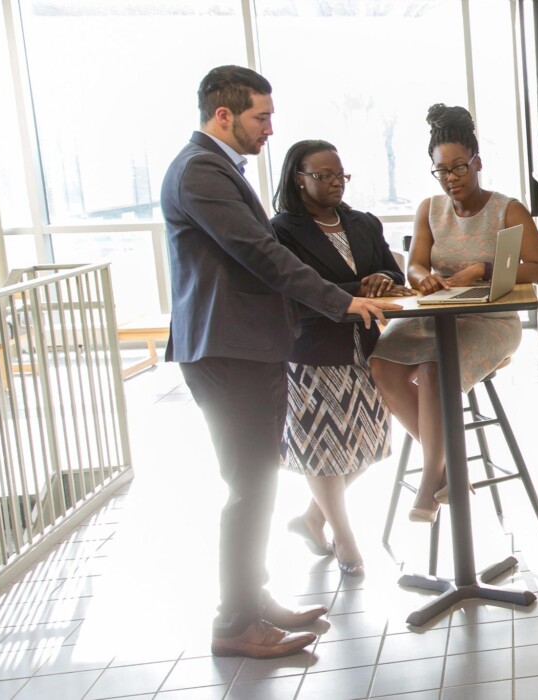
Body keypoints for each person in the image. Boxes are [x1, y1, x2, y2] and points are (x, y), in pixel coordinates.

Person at [162, 66, 399, 658]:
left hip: (243, 346)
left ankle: (252, 600)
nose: (270, 128)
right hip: (226, 349)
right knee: (248, 489)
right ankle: (234, 624)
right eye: (260, 117)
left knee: (258, 484)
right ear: (224, 116)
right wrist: (342, 301)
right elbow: (262, 254)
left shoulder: (214, 168)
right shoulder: (200, 171)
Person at [370, 104, 538, 523]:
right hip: (437, 315)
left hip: (490, 321)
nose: (451, 178)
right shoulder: (429, 210)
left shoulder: (506, 209)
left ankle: (429, 480)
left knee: (436, 370)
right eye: (442, 171)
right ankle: (453, 466)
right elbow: (415, 265)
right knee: (382, 363)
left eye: (459, 168)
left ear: (478, 163)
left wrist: (485, 269)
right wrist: (423, 279)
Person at [271, 139, 412, 577]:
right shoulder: (280, 231)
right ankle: (344, 539)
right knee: (323, 451)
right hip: (314, 350)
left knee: (369, 447)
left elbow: (394, 271)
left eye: (340, 175)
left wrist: (381, 280)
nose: (335, 183)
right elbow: (295, 290)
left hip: (367, 345)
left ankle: (313, 519)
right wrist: (357, 293)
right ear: (299, 178)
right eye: (324, 176)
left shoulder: (363, 222)